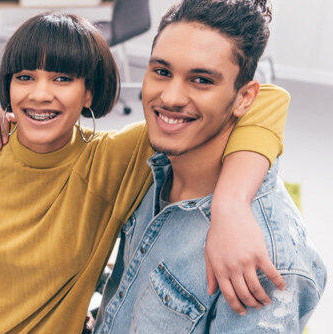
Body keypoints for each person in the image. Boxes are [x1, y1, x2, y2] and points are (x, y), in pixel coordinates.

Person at [0, 11, 289, 333]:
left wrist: (229, 205)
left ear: (89, 93)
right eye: (25, 77)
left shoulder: (110, 161)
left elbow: (266, 100)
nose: (39, 94)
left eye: (62, 79)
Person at [92, 1, 326, 332]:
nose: (171, 97)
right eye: (162, 71)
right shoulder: (153, 165)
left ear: (245, 98)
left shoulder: (265, 261)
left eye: (201, 80)